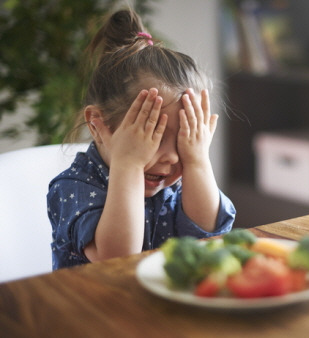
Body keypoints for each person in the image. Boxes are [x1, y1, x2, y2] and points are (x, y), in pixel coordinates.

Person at [47, 9, 235, 270]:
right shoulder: (73, 187)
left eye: (183, 140)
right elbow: (117, 258)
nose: (171, 157)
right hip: (91, 306)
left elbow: (210, 234)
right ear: (97, 125)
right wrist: (129, 165)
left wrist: (197, 161)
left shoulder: (181, 179)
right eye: (153, 138)